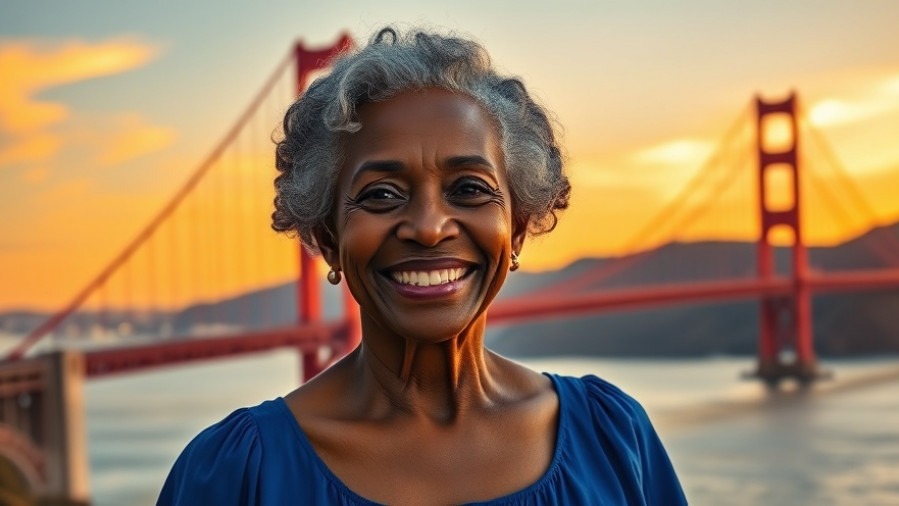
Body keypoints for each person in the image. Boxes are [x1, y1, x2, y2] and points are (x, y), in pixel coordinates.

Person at [158, 27, 686, 505]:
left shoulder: (616, 440)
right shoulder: (235, 477)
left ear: (518, 227)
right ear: (327, 239)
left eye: (469, 189)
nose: (430, 227)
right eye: (381, 194)